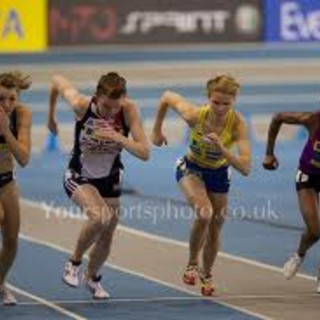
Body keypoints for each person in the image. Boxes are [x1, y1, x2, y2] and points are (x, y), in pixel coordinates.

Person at [47, 72, 150, 299]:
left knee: (107, 232)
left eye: (116, 107)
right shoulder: (82, 105)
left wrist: (117, 136)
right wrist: (50, 116)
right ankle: (73, 262)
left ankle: (92, 278)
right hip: (79, 174)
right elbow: (56, 80)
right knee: (99, 217)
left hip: (110, 176)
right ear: (96, 97)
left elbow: (145, 153)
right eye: (106, 106)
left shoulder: (129, 110)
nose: (111, 111)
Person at [151, 74, 251, 296]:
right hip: (191, 167)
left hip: (219, 172)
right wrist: (156, 130)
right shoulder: (194, 115)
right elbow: (167, 96)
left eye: (227, 103)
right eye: (216, 102)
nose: (220, 108)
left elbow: (245, 167)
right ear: (208, 99)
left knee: (215, 229)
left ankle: (207, 273)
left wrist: (222, 148)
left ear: (234, 101)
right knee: (204, 213)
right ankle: (192, 263)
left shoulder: (238, 125)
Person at [263, 111, 320, 292]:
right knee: (315, 230)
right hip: (308, 178)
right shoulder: (313, 119)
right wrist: (269, 154)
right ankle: (299, 255)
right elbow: (277, 117)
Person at [0, 71, 32, 305]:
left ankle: (0, 283)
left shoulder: (21, 114)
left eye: (12, 98)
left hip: (6, 180)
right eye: (1, 99)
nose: (7, 104)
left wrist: (5, 131)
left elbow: (23, 158)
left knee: (11, 242)